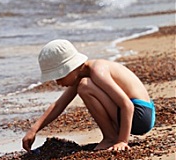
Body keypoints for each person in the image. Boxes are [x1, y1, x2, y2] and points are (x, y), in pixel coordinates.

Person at [23, 39, 155, 152]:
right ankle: (112, 136)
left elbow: (127, 105)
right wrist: (33, 130)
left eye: (59, 77)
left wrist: (122, 141)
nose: (58, 83)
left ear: (69, 68)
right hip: (137, 114)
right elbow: (59, 105)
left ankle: (111, 137)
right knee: (84, 85)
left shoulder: (98, 71)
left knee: (85, 86)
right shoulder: (81, 74)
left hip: (140, 116)